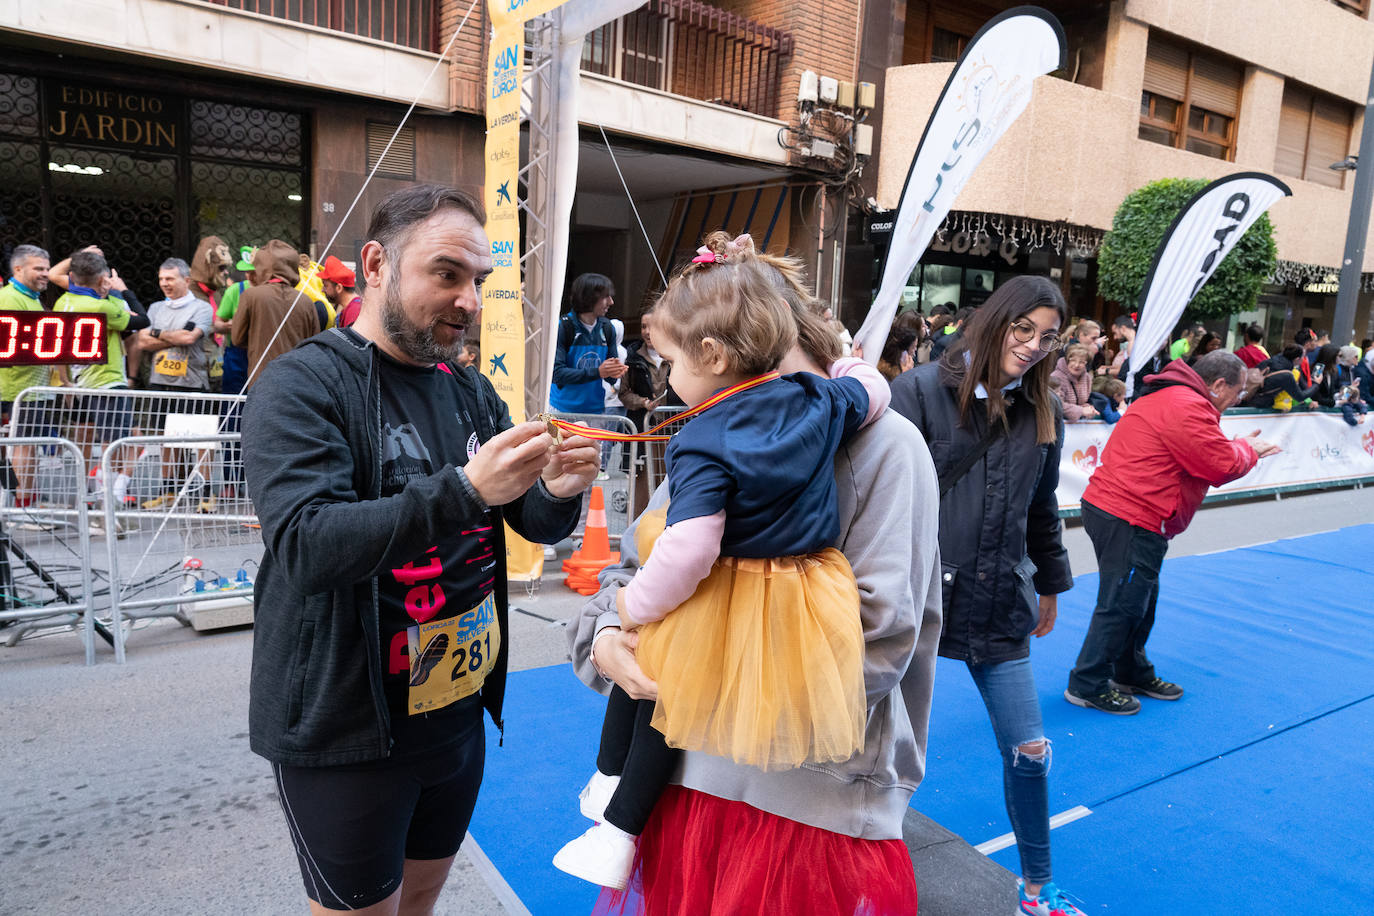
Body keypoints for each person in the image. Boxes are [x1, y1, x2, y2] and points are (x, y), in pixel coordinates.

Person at [243, 184, 598, 916]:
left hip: (456, 712)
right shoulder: (302, 385)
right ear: (376, 264)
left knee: (421, 903)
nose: (468, 301)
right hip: (347, 729)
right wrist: (466, 490)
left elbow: (530, 519)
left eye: (479, 282)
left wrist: (559, 489)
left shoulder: (467, 390)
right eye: (446, 274)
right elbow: (308, 544)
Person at [569, 239, 938, 916]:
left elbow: (880, 645)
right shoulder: (714, 429)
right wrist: (608, 638)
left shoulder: (885, 448)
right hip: (679, 790)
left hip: (802, 813)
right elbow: (630, 573)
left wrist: (680, 667)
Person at [890, 275, 1086, 916]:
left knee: (1030, 749)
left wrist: (1051, 580)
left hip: (1000, 598)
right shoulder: (916, 391)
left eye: (1047, 337)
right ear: (993, 321)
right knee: (881, 745)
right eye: (1022, 329)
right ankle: (863, 863)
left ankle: (1038, 886)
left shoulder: (1042, 406)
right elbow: (875, 498)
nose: (1032, 346)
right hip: (912, 603)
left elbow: (1042, 508)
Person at [1066, 351, 1280, 715]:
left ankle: (1129, 671)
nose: (1239, 399)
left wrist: (1237, 448)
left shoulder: (1173, 397)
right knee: (1123, 603)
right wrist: (1248, 450)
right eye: (1238, 392)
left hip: (1127, 510)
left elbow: (1203, 455)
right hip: (1132, 514)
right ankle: (1088, 683)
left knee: (1138, 598)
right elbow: (1220, 465)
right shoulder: (1187, 405)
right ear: (1218, 385)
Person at [54, 249, 148, 528]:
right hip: (108, 382)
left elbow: (58, 347)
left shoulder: (63, 302)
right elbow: (142, 320)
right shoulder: (104, 307)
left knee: (108, 443)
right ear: (102, 279)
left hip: (80, 382)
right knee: (118, 445)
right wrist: (122, 291)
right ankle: (108, 505)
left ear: (73, 277)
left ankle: (101, 502)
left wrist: (65, 380)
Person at [136, 258, 218, 514]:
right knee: (166, 439)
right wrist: (172, 336)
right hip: (160, 382)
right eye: (161, 279)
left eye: (170, 279)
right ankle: (168, 490)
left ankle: (206, 493)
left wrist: (157, 333)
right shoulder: (155, 307)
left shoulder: (201, 308)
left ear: (187, 280)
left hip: (192, 383)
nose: (165, 284)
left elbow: (190, 337)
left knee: (201, 438)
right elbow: (141, 342)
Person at [0, 245, 55, 506]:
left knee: (29, 444)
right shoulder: (10, 298)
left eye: (46, 268)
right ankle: (22, 503)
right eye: (39, 269)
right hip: (15, 389)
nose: (45, 274)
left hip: (31, 388)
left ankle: (27, 498)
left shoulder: (31, 297)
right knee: (22, 444)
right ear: (18, 269)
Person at [232, 240, 325, 390]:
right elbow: (314, 346)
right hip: (298, 382)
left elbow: (237, 338)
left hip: (262, 380)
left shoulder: (251, 295)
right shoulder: (305, 300)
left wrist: (258, 341)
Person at [550, 273, 625, 414]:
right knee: (555, 438)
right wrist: (598, 372)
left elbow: (610, 380)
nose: (611, 302)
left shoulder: (607, 327)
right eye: (606, 297)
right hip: (561, 410)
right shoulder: (563, 327)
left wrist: (615, 372)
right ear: (589, 297)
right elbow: (557, 374)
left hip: (596, 411)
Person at [1248, 345, 1319, 411]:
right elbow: (1300, 396)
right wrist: (1316, 384)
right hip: (1259, 407)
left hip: (1248, 400)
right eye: (1303, 357)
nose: (1303, 359)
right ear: (1297, 359)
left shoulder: (1271, 361)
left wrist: (1308, 401)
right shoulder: (1286, 375)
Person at [1050, 342, 1099, 421]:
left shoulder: (1086, 377)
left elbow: (1081, 402)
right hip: (1057, 422)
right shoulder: (1056, 377)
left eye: (1081, 362)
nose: (1076, 365)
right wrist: (1081, 411)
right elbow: (1056, 404)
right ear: (1067, 360)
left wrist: (1088, 408)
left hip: (1076, 425)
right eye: (1073, 360)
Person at [318, 255, 362, 328]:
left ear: (339, 288)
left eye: (325, 286)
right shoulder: (351, 308)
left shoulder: (354, 311)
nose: (322, 290)